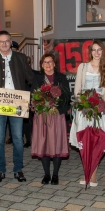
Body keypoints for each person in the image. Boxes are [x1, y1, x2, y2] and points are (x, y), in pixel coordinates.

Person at [0, 30, 37, 183]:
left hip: (17, 105)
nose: (4, 44)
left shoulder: (21, 58)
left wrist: (32, 99)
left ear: (10, 42)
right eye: (1, 41)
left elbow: (32, 79)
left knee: (18, 138)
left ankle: (18, 169)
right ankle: (0, 170)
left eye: (7, 41)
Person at [70, 40, 105, 187]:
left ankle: (93, 175)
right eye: (94, 50)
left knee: (98, 142)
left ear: (103, 52)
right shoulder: (83, 67)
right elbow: (77, 89)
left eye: (99, 50)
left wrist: (101, 105)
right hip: (84, 109)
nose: (96, 53)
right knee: (85, 142)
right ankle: (87, 172)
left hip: (100, 110)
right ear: (90, 52)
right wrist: (83, 103)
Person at [31, 53, 71, 185]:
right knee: (44, 144)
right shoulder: (37, 78)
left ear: (54, 63)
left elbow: (67, 97)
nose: (48, 65)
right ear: (42, 65)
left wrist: (58, 108)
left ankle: (55, 175)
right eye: (45, 62)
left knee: (57, 144)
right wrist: (40, 105)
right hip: (42, 116)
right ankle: (46, 174)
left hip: (57, 116)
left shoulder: (61, 78)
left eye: (50, 62)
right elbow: (33, 96)